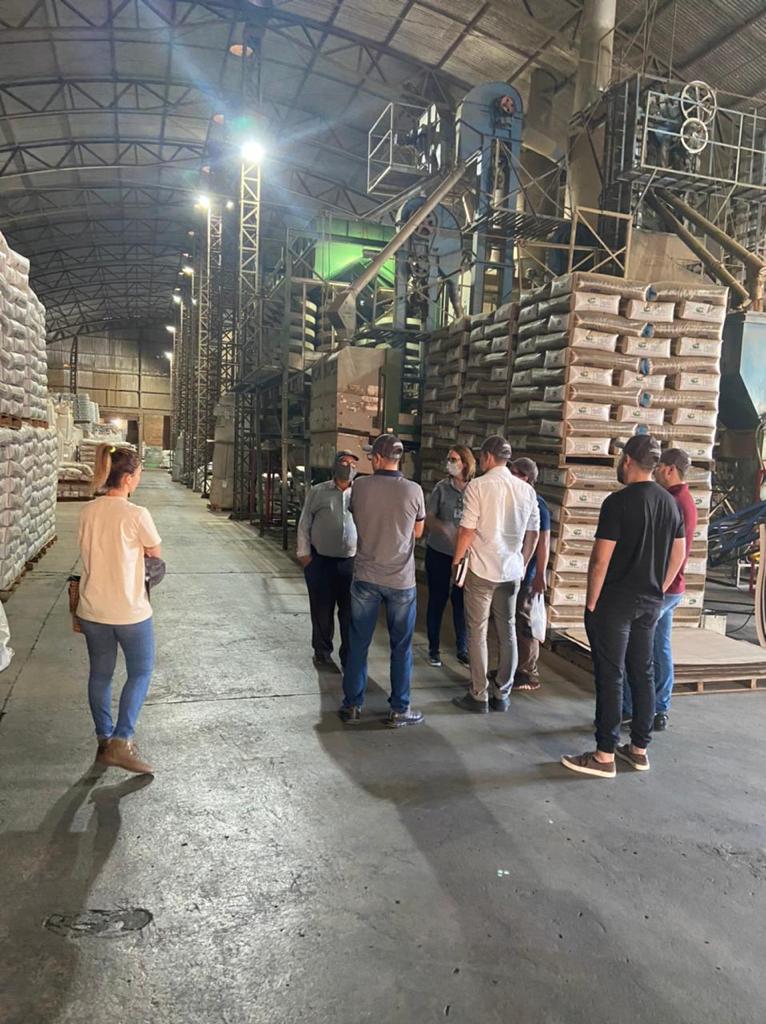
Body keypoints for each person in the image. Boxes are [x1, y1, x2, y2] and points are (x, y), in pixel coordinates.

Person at [561, 435, 686, 780]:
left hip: (615, 603)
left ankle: (604, 755)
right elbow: (679, 554)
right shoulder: (670, 503)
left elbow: (600, 560)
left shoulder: (617, 503)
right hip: (649, 602)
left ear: (628, 460)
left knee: (611, 675)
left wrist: (591, 602)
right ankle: (639, 749)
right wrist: (659, 587)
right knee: (642, 673)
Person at [77, 445, 162, 775]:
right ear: (127, 479)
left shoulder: (87, 511)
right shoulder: (136, 514)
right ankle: (121, 741)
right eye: (137, 475)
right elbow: (155, 554)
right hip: (129, 611)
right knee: (140, 671)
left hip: (92, 608)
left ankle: (104, 739)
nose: (138, 480)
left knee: (100, 674)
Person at [340, 434, 426, 727]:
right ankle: (399, 708)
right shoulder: (413, 490)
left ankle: (352, 705)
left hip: (366, 576)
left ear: (377, 458)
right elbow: (417, 532)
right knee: (401, 646)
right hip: (401, 580)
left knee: (358, 642)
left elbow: (356, 518)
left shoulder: (360, 487)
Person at [451, 435, 540, 714]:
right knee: (507, 630)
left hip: (482, 569)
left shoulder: (478, 486)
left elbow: (467, 530)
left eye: (481, 457)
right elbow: (534, 533)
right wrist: (523, 563)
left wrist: (457, 562)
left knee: (477, 631)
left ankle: (479, 695)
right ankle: (502, 693)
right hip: (511, 571)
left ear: (488, 457)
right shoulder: (526, 490)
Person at [623, 447, 697, 731]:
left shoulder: (672, 502)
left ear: (670, 469)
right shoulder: (683, 500)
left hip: (662, 587)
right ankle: (659, 708)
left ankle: (632, 707)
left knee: (635, 647)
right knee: (660, 647)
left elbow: (673, 552)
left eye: (660, 467)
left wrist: (656, 589)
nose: (656, 472)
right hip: (671, 587)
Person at [296, 451, 358, 669]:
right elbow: (305, 522)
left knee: (350, 612)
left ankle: (349, 655)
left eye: (353, 464)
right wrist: (305, 556)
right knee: (322, 610)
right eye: (344, 462)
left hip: (350, 563)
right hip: (321, 562)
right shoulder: (318, 491)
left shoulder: (360, 493)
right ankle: (322, 652)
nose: (348, 467)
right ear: (335, 465)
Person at [424, 445, 475, 668]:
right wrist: (443, 527)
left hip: (464, 556)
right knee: (437, 599)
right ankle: (433, 648)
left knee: (461, 602)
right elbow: (428, 517)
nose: (449, 463)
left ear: (465, 462)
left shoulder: (475, 489)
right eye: (448, 459)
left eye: (454, 459)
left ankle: (462, 648)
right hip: (439, 552)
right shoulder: (441, 489)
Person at [509, 457, 550, 691]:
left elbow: (543, 541)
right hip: (514, 569)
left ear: (525, 477)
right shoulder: (515, 500)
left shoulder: (537, 504)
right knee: (513, 620)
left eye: (514, 472)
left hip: (529, 572)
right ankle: (514, 667)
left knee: (525, 619)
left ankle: (528, 672)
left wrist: (540, 574)